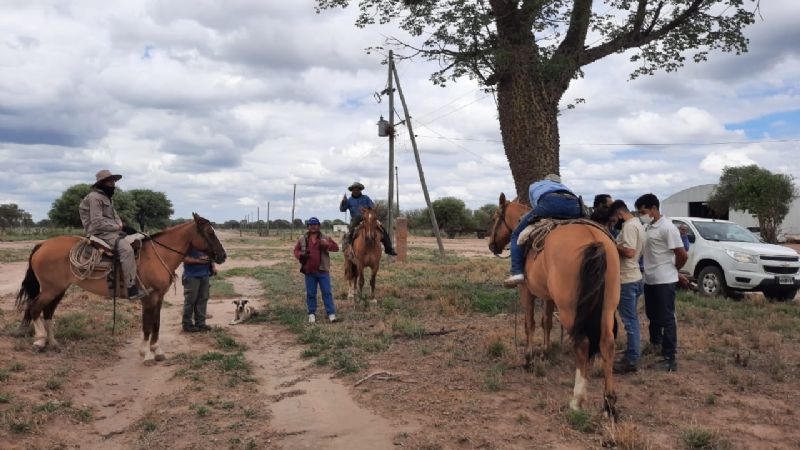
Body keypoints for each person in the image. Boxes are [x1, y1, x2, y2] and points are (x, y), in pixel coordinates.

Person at [634, 193, 689, 372]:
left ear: (654, 209)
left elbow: (682, 254)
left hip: (665, 280)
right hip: (650, 279)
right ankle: (655, 344)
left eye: (643, 211)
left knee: (667, 318)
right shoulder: (649, 227)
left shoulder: (668, 228)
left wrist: (674, 269)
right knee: (653, 315)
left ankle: (669, 357)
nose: (642, 214)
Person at [504, 174, 583, 287]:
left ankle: (517, 272)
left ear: (546, 180)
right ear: (558, 182)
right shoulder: (564, 187)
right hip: (575, 205)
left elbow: (535, 205)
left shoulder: (535, 185)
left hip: (549, 203)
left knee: (516, 234)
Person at [78, 169, 144, 300]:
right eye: (110, 181)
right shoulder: (95, 198)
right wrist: (119, 227)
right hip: (99, 232)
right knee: (126, 250)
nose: (113, 184)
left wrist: (122, 227)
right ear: (102, 183)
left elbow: (115, 217)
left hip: (111, 230)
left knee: (140, 239)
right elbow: (97, 223)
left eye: (114, 181)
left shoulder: (106, 197)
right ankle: (131, 288)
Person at [608, 200, 646, 374]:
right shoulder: (638, 224)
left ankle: (631, 361)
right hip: (635, 277)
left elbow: (630, 252)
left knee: (630, 322)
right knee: (632, 320)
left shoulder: (630, 227)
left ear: (620, 214)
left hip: (627, 280)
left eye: (616, 218)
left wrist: (611, 245)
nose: (617, 221)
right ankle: (632, 354)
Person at [294, 217, 340, 323]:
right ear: (308, 226)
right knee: (311, 293)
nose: (313, 226)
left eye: (315, 224)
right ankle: (311, 314)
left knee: (327, 292)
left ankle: (331, 314)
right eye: (311, 224)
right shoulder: (302, 238)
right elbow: (296, 250)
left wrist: (327, 245)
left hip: (323, 271)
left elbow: (336, 248)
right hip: (309, 271)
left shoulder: (325, 237)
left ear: (319, 226)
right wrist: (300, 255)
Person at [339, 181, 397, 255]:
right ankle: (348, 250)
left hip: (368, 218)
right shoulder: (349, 200)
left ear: (360, 190)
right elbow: (342, 209)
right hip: (355, 220)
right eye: (354, 189)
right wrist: (343, 202)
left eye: (358, 189)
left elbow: (372, 207)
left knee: (382, 230)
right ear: (352, 190)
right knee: (349, 234)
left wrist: (370, 210)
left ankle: (389, 249)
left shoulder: (366, 198)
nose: (356, 191)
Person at [181, 249, 216, 332]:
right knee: (190, 301)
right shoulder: (189, 242)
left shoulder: (206, 242)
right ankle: (187, 325)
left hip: (205, 275)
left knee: (203, 299)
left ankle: (201, 324)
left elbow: (211, 254)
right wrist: (198, 261)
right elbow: (182, 258)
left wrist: (213, 266)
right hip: (191, 275)